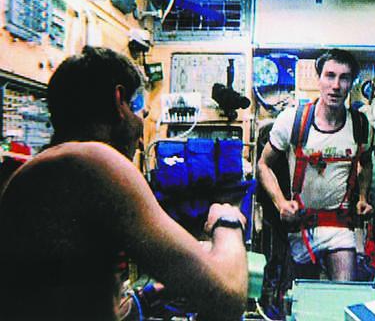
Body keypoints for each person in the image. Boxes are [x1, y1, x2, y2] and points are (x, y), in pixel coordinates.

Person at [0, 47, 248, 321]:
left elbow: (72, 302)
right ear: (120, 101)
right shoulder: (92, 162)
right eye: (139, 111)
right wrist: (227, 221)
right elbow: (227, 297)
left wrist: (148, 296)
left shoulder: (41, 170)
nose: (141, 139)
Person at [257, 49, 373, 281]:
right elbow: (263, 165)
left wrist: (362, 197)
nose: (336, 85)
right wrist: (281, 203)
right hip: (300, 225)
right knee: (302, 295)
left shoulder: (360, 125)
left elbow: (366, 163)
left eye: (344, 78)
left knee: (344, 293)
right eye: (330, 76)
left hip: (340, 226)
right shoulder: (292, 121)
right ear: (318, 79)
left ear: (351, 83)